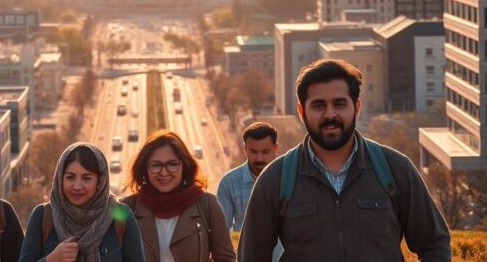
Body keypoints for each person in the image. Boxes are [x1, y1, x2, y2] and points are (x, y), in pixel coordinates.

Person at [237, 59, 451, 262]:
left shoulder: (395, 169)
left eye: (339, 104)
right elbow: (251, 257)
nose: (330, 114)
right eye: (318, 105)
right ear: (302, 111)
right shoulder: (276, 179)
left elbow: (434, 243)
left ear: (357, 107)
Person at [19, 142, 145, 262]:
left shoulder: (121, 215)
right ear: (60, 179)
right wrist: (51, 259)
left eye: (86, 178)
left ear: (100, 182)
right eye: (70, 177)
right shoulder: (42, 216)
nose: (77, 186)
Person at [120, 130, 235, 262]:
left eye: (172, 164)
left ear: (184, 166)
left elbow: (226, 259)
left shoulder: (207, 205)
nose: (164, 172)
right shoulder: (126, 209)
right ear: (145, 169)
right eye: (156, 165)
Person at [216, 123, 282, 260]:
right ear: (245, 149)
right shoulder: (229, 183)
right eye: (253, 152)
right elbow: (220, 234)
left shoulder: (290, 178)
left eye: (265, 152)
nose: (259, 158)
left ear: (276, 148)